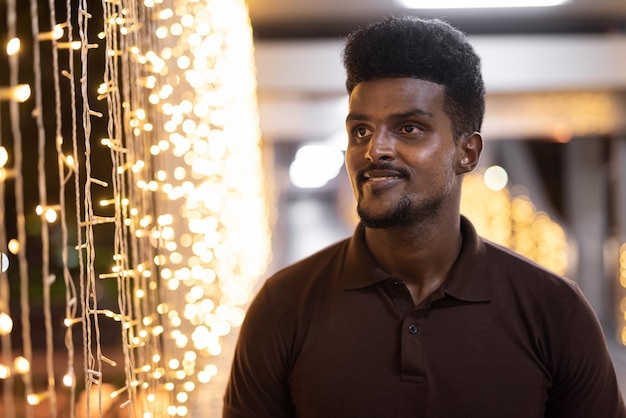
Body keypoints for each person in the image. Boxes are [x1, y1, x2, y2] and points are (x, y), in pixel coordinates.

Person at [223, 15, 626, 418]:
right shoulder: (284, 307)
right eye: (360, 131)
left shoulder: (554, 310)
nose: (375, 149)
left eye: (409, 129)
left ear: (466, 153)